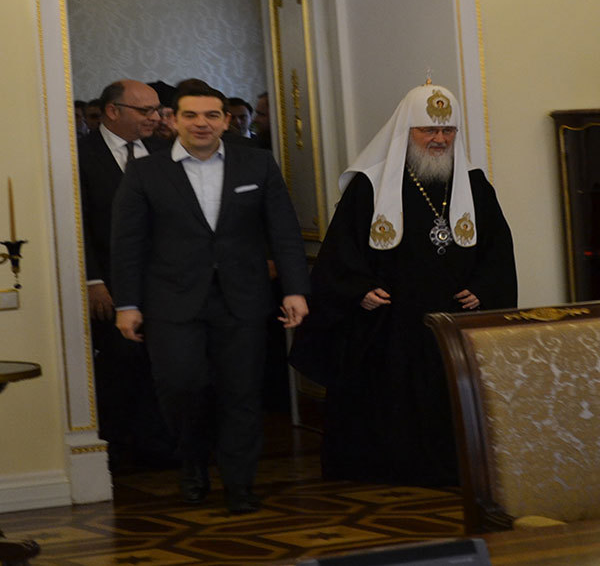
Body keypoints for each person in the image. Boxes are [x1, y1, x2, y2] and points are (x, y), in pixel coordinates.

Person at [290, 79, 517, 487]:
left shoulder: (474, 183)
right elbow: (340, 251)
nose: (439, 139)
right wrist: (359, 288)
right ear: (406, 131)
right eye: (429, 129)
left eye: (448, 130)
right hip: (390, 318)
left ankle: (450, 469)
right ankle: (385, 468)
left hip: (451, 316)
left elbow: (498, 247)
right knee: (389, 394)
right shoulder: (371, 184)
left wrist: (484, 286)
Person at [111, 80, 310, 513]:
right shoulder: (146, 171)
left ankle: (240, 483)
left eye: (211, 115)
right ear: (173, 120)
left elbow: (284, 231)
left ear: (224, 121)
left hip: (242, 299)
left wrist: (295, 289)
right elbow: (127, 244)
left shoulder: (257, 164)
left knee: (242, 393)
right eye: (191, 115)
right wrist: (127, 304)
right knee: (182, 386)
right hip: (171, 302)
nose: (201, 123)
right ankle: (193, 463)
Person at [78, 79, 174, 472]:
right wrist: (92, 280)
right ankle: (116, 448)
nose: (155, 118)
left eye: (157, 110)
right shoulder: (80, 154)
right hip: (110, 283)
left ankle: (160, 445)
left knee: (163, 364)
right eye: (145, 111)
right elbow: (79, 223)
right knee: (120, 364)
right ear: (112, 111)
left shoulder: (167, 152)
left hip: (166, 282)